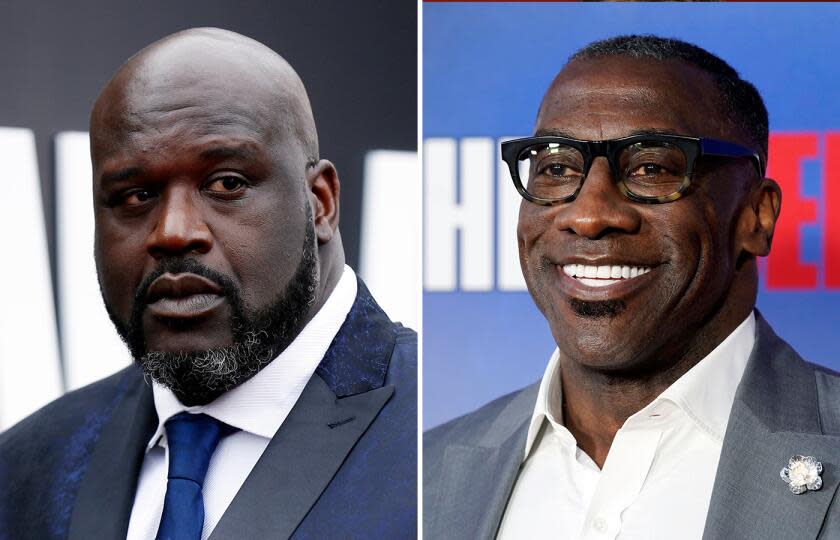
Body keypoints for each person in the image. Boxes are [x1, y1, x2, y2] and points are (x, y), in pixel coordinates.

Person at [0, 28, 416, 539]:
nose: (173, 232)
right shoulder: (27, 469)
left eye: (226, 184)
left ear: (320, 202)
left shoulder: (436, 442)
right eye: (135, 195)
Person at [424, 35, 840, 539]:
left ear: (757, 215)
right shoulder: (430, 470)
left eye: (651, 168)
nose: (590, 215)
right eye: (556, 168)